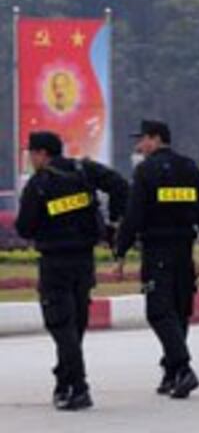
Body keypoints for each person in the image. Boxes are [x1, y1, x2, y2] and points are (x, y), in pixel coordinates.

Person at [15, 131, 128, 411]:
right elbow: (120, 185)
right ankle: (64, 381)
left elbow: (24, 228)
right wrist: (114, 222)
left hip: (55, 263)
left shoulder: (39, 184)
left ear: (42, 154)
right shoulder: (83, 170)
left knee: (61, 325)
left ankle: (78, 388)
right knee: (74, 325)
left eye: (32, 154)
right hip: (84, 261)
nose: (31, 160)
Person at [115, 119, 199, 399]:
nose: (140, 146)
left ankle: (183, 368)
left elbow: (134, 215)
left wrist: (120, 251)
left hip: (157, 251)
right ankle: (172, 372)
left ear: (155, 138)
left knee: (159, 312)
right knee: (179, 309)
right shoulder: (189, 167)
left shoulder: (146, 170)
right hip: (184, 250)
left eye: (142, 140)